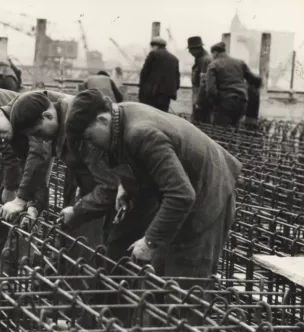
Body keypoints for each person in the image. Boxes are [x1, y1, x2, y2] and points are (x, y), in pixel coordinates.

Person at [63, 89, 242, 289]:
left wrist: (149, 242)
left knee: (185, 284)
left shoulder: (141, 133)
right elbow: (143, 165)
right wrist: (128, 186)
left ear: (102, 121)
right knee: (159, 277)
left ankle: (186, 319)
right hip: (189, 187)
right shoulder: (119, 119)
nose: (90, 144)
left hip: (209, 192)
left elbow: (180, 194)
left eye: (88, 137)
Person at [0, 90, 120, 273]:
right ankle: (64, 270)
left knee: (92, 228)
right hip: (81, 164)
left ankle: (84, 275)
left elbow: (40, 155)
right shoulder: (17, 131)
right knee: (75, 220)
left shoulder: (26, 115)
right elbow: (35, 167)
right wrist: (34, 205)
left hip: (98, 163)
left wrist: (21, 199)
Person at [206, 42, 262, 127]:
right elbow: (255, 80)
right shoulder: (240, 62)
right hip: (242, 102)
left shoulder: (213, 65)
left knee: (221, 132)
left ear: (215, 52)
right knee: (235, 131)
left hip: (225, 102)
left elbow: (210, 90)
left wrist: (216, 102)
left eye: (212, 54)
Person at [139, 37, 180, 112]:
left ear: (155, 46)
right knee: (163, 116)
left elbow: (144, 73)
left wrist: (142, 90)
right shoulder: (174, 59)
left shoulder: (153, 54)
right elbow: (177, 79)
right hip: (166, 95)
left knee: (150, 115)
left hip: (152, 94)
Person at [187, 36, 212, 123]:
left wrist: (199, 102)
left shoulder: (204, 60)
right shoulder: (200, 59)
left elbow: (204, 83)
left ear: (197, 48)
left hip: (201, 100)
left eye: (191, 49)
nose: (189, 52)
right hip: (199, 97)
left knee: (200, 123)